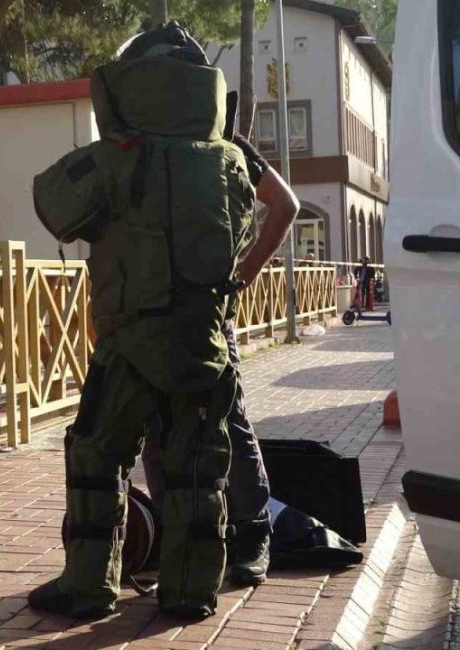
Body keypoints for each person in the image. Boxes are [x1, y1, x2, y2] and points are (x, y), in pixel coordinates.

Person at [27, 22, 257, 620]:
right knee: (197, 473)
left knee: (97, 461)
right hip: (203, 343)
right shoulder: (230, 161)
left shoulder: (114, 160)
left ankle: (88, 586)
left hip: (128, 343)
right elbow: (246, 235)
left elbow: (52, 205)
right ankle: (189, 593)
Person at [141, 133, 300, 587]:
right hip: (163, 310)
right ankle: (194, 538)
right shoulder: (159, 136)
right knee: (174, 422)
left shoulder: (216, 139)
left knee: (219, 419)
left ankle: (247, 532)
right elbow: (284, 205)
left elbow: (285, 205)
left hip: (186, 310)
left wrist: (242, 276)